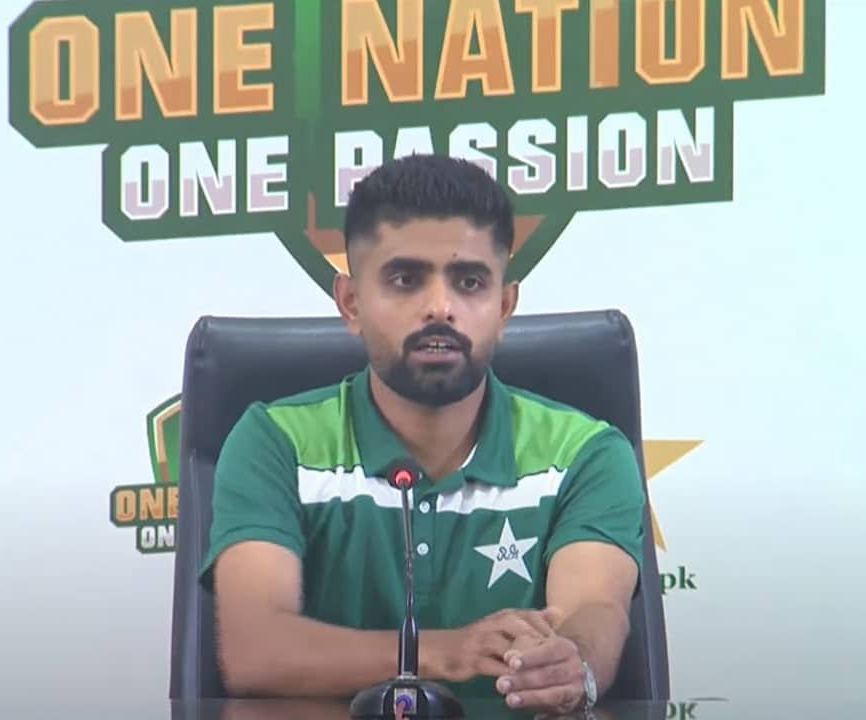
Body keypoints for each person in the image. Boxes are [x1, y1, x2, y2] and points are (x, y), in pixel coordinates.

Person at [200, 154, 646, 717]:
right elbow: (255, 651)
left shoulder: (585, 453)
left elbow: (595, 612)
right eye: (405, 280)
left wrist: (572, 662)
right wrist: (445, 652)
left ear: (504, 306)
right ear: (351, 303)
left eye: (470, 282)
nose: (440, 308)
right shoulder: (276, 443)